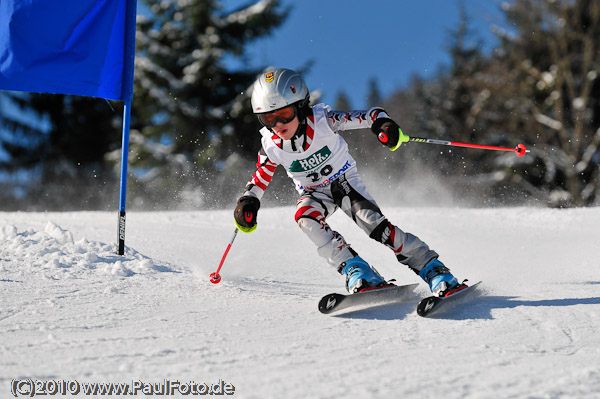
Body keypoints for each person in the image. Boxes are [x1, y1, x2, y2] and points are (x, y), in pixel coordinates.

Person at [233, 68, 460, 296]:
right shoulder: (271, 145)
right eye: (268, 118)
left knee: (374, 225)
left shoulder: (322, 121)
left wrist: (384, 126)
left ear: (301, 107)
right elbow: (260, 176)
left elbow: (371, 115)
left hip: (343, 182)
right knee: (305, 217)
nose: (277, 124)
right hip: (314, 193)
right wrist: (248, 201)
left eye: (284, 114)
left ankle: (433, 268)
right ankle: (357, 271)